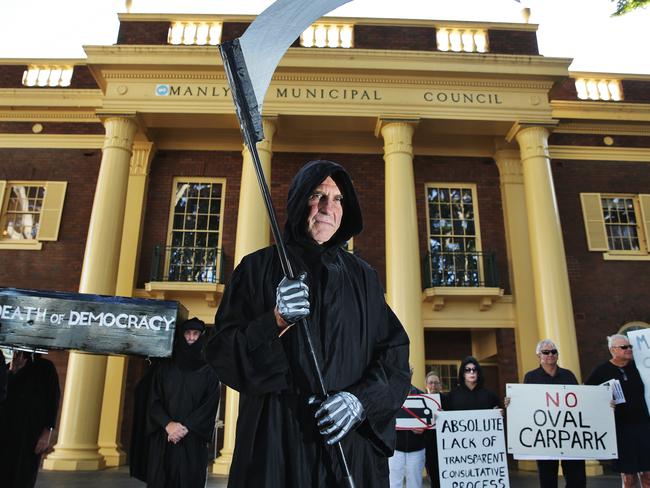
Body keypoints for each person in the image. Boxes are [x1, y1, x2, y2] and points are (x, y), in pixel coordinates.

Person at [205, 159, 411, 487]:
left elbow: (395, 357)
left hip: (347, 447)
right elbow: (222, 350)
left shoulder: (364, 277)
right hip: (276, 444)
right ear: (301, 201)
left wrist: (360, 401)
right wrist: (275, 320)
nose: (329, 207)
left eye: (338, 199)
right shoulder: (256, 268)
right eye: (318, 196)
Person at [145, 317, 220, 488]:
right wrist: (168, 424)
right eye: (188, 333)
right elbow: (154, 400)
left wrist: (185, 427)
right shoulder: (164, 368)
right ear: (182, 336)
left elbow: (209, 405)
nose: (192, 338)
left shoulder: (209, 371)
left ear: (202, 336)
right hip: (165, 438)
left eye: (196, 334)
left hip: (192, 440)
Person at [585, 334, 650, 488]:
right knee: (628, 476)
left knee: (648, 473)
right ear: (612, 350)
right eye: (624, 347)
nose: (629, 350)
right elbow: (587, 394)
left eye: (630, 347)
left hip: (644, 426)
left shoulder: (639, 367)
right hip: (621, 429)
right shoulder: (602, 370)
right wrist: (604, 403)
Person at [523, 339, 586, 488]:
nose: (550, 354)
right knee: (547, 479)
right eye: (546, 352)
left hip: (570, 435)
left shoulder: (568, 375)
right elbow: (525, 403)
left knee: (576, 479)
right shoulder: (530, 377)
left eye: (554, 351)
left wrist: (586, 395)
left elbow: (579, 403)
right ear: (539, 355)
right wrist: (511, 403)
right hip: (545, 435)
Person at [0, 350, 60, 488]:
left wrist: (47, 432)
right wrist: (13, 371)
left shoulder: (45, 368)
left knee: (22, 474)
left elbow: (53, 400)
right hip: (6, 429)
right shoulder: (8, 367)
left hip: (30, 432)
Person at [389, 367, 426, 488]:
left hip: (416, 448)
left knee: (415, 484)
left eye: (408, 373)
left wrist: (423, 428)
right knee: (394, 483)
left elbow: (429, 420)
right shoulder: (391, 395)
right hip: (396, 448)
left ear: (411, 375)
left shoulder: (422, 395)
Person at [424, 370, 442, 488]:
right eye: (431, 383)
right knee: (433, 475)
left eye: (436, 383)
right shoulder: (422, 399)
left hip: (443, 444)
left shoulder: (446, 399)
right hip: (427, 445)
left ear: (440, 385)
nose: (433, 386)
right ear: (426, 385)